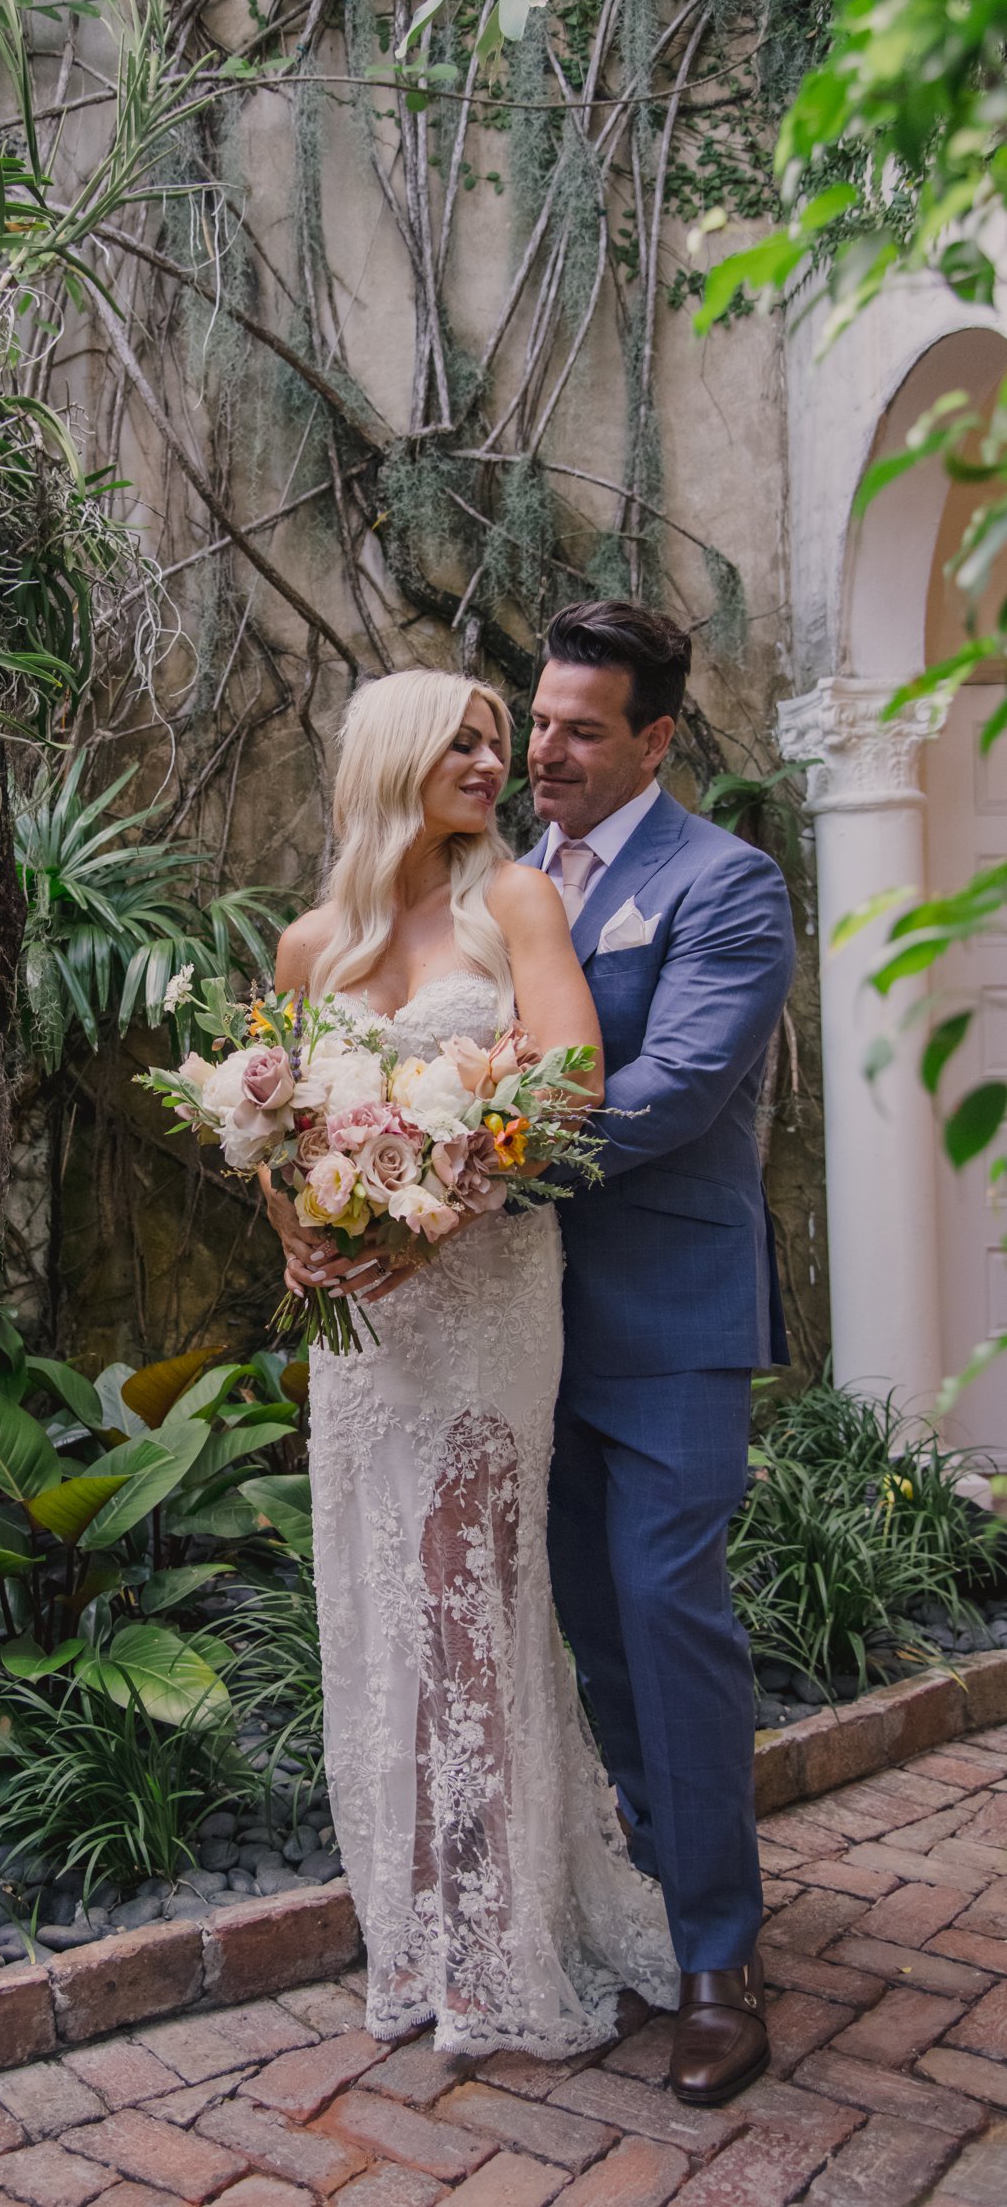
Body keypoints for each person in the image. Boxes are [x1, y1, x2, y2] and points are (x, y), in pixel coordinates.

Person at [265, 666, 680, 2062]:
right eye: (465, 736)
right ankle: (422, 1930)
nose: (494, 758)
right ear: (392, 752)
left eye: (499, 737)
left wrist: (437, 1195)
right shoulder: (308, 945)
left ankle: (502, 1949)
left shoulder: (518, 904)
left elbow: (567, 1080)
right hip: (368, 1328)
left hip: (489, 1290)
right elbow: (271, 1127)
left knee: (470, 1597)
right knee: (382, 1601)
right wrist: (302, 1242)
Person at [527, 600, 796, 2109]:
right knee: (592, 1619)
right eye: (540, 719)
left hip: (669, 1321)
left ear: (654, 738)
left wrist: (472, 1163)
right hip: (523, 1326)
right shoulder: (501, 884)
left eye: (579, 726)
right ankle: (653, 1888)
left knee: (667, 1609)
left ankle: (719, 1957)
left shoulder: (726, 882)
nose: (545, 750)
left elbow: (683, 1083)